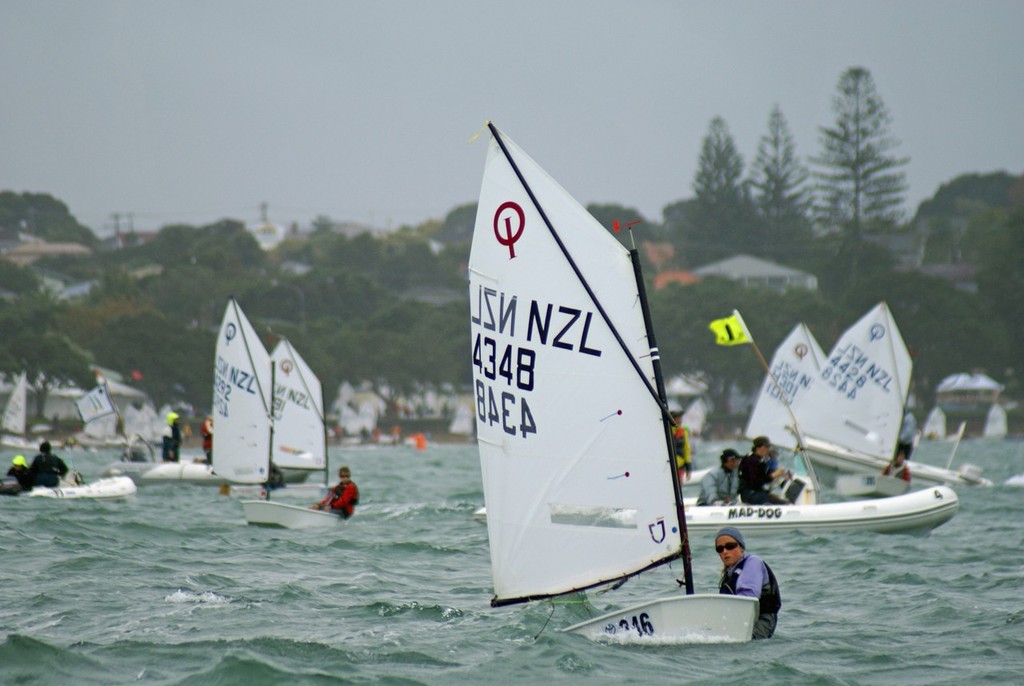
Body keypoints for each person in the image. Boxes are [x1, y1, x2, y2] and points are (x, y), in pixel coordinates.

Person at [715, 526, 781, 640]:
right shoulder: (729, 574)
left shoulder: (752, 562)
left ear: (741, 548)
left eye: (730, 546)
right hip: (738, 623)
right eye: (720, 549)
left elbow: (747, 598)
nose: (725, 551)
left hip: (760, 623)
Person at [738, 436, 790, 505]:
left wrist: (780, 476)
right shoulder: (751, 461)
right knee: (782, 503)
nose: (768, 450)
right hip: (750, 494)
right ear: (759, 447)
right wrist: (772, 476)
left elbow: (765, 476)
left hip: (755, 492)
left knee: (776, 498)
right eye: (766, 447)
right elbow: (755, 481)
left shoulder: (760, 461)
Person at [671, 412, 693, 483]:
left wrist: (688, 468)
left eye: (680, 419)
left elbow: (687, 450)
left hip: (680, 466)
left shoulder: (683, 431)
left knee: (680, 484)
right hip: (670, 465)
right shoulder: (666, 430)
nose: (680, 421)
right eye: (677, 419)